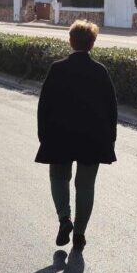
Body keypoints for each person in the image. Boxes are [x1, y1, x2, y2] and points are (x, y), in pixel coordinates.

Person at [35, 20, 118, 251]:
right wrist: (110, 139)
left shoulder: (57, 69)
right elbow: (112, 109)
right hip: (93, 138)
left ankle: (65, 219)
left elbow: (44, 105)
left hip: (60, 136)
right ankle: (80, 233)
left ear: (71, 41)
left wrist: (44, 135)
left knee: (58, 178)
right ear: (92, 43)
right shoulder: (100, 72)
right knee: (86, 185)